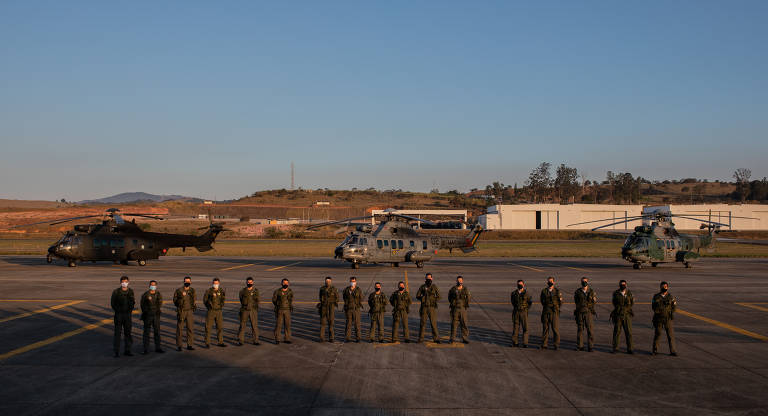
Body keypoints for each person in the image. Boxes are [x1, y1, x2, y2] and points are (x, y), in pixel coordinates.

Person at [111, 275, 135, 357]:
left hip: (127, 315)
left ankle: (127, 350)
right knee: (117, 334)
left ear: (128, 282)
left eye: (126, 282)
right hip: (119, 315)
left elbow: (133, 302)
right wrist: (118, 310)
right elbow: (113, 303)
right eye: (123, 282)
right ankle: (116, 351)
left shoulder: (130, 291)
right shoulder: (116, 292)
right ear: (120, 282)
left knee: (128, 333)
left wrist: (129, 310)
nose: (124, 283)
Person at [652, 281, 678, 356]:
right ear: (660, 287)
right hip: (659, 318)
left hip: (668, 318)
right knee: (657, 334)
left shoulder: (671, 297)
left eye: (665, 287)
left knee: (670, 335)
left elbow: (674, 306)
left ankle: (672, 351)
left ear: (667, 287)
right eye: (663, 287)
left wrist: (670, 312)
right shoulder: (656, 296)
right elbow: (653, 307)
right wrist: (658, 312)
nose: (664, 288)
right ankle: (655, 350)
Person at [140, 280, 164, 354]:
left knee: (157, 332)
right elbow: (142, 304)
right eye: (151, 285)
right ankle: (146, 349)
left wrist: (155, 310)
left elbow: (160, 303)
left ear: (156, 286)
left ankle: (158, 347)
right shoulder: (145, 295)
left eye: (154, 285)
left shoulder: (158, 294)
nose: (153, 286)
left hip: (156, 315)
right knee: (146, 333)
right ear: (149, 286)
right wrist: (146, 311)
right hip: (148, 316)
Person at [173, 276, 197, 351]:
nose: (187, 283)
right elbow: (175, 300)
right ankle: (179, 345)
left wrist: (193, 307)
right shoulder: (179, 290)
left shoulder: (192, 290)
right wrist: (179, 303)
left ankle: (189, 344)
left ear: (190, 282)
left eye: (188, 281)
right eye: (186, 281)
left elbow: (194, 300)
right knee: (179, 329)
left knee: (190, 328)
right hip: (182, 311)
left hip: (189, 311)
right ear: (184, 282)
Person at [573, 277, 597, 352]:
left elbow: (594, 302)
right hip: (580, 312)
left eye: (585, 281)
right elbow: (576, 301)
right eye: (583, 281)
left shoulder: (591, 291)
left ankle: (590, 346)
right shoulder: (578, 292)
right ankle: (580, 346)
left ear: (587, 282)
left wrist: (589, 308)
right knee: (580, 329)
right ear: (581, 282)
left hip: (588, 313)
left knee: (590, 330)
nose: (584, 283)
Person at [416, 272, 441, 343]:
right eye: (427, 278)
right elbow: (417, 295)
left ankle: (436, 338)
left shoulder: (434, 287)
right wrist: (422, 298)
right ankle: (421, 338)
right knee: (422, 323)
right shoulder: (422, 287)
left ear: (432, 278)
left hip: (431, 308)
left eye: (429, 278)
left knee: (433, 324)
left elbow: (439, 296)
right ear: (425, 279)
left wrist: (433, 300)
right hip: (424, 308)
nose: (428, 279)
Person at [539, 276, 563, 350]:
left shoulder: (557, 291)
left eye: (551, 281)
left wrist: (555, 307)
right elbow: (542, 301)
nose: (550, 282)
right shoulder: (544, 291)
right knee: (545, 329)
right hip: (546, 312)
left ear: (553, 282)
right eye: (549, 281)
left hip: (554, 312)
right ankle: (544, 344)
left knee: (555, 329)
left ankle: (556, 344)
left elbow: (560, 302)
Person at [611, 279, 634, 354]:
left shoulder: (629, 293)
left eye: (624, 284)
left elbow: (632, 303)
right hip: (618, 315)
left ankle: (630, 349)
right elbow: (614, 302)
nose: (623, 286)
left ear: (626, 285)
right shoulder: (616, 293)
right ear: (619, 285)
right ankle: (615, 348)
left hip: (627, 315)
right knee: (617, 332)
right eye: (621, 284)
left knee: (629, 332)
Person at [203, 277, 227, 348]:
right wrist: (209, 307)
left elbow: (223, 299)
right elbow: (205, 300)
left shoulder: (221, 291)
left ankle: (220, 342)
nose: (215, 285)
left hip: (219, 311)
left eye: (216, 283)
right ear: (212, 284)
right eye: (214, 283)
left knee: (219, 327)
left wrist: (221, 306)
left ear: (219, 283)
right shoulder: (209, 291)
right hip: (211, 311)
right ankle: (207, 343)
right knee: (208, 327)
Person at [237, 276, 260, 346]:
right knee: (242, 325)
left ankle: (255, 340)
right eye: (248, 282)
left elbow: (257, 300)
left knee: (254, 325)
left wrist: (254, 307)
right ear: (246, 282)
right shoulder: (242, 291)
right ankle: (240, 340)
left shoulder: (256, 291)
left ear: (253, 282)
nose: (249, 283)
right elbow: (241, 299)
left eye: (250, 282)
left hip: (253, 310)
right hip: (244, 310)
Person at [448, 275, 470, 344]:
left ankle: (465, 338)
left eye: (460, 280)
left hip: (463, 309)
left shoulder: (465, 289)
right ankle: (452, 338)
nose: (459, 282)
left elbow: (468, 298)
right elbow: (449, 297)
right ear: (456, 281)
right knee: (454, 324)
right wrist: (453, 303)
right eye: (458, 280)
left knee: (464, 324)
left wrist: (465, 304)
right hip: (455, 309)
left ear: (462, 281)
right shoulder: (453, 289)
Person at [510, 279, 532, 348]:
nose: (519, 285)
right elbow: (513, 302)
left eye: (520, 284)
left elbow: (530, 303)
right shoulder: (513, 293)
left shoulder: (527, 293)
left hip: (523, 312)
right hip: (516, 312)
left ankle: (525, 343)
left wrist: (525, 309)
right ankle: (515, 342)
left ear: (523, 285)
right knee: (516, 327)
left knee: (525, 328)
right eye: (518, 284)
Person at [272, 278, 293, 344]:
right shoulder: (277, 291)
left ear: (288, 284)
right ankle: (277, 339)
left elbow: (291, 300)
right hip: (279, 310)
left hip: (287, 310)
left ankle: (287, 338)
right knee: (278, 325)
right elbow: (274, 300)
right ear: (281, 284)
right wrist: (278, 304)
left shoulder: (290, 291)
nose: (285, 284)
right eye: (284, 283)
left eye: (286, 283)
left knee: (287, 325)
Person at [318, 276, 339, 342]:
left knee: (331, 323)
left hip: (331, 307)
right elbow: (320, 297)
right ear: (325, 281)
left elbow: (337, 298)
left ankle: (331, 338)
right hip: (324, 307)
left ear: (331, 282)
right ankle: (322, 338)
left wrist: (333, 303)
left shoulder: (334, 289)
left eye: (329, 281)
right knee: (323, 323)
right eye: (326, 281)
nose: (328, 282)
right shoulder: (322, 289)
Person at [343, 276, 363, 342]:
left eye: (354, 281)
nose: (352, 283)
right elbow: (344, 298)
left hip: (356, 309)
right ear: (350, 282)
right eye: (351, 281)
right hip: (349, 309)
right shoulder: (346, 289)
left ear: (356, 282)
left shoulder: (358, 290)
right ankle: (347, 338)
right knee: (348, 324)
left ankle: (358, 338)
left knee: (357, 324)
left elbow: (361, 298)